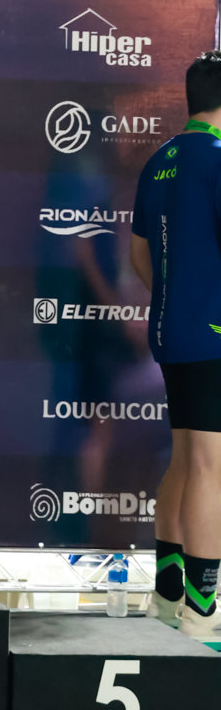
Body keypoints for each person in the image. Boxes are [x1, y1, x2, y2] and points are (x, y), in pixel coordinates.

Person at [130, 50, 221, 642]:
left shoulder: (159, 159)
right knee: (211, 465)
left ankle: (167, 598)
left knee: (187, 458)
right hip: (212, 334)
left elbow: (139, 255)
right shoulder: (217, 158)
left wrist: (176, 301)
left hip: (169, 330)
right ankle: (202, 608)